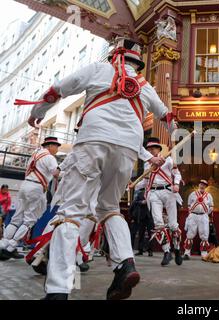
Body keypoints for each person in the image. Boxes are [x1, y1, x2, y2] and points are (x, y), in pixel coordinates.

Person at [21, 38, 177, 300]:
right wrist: (178, 131)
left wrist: (39, 109)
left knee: (71, 212)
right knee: (110, 208)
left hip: (93, 141)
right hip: (127, 149)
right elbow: (168, 118)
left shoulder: (97, 69)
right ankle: (125, 263)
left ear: (114, 56)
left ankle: (58, 290)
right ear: (137, 64)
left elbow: (58, 89)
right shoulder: (146, 86)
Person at [0, 137, 60, 260]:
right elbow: (55, 173)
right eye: (56, 146)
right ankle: (11, 246)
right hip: (36, 188)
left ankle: (3, 244)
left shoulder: (35, 154)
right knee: (29, 220)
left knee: (16, 218)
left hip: (25, 185)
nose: (57, 149)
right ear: (49, 146)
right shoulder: (49, 157)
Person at [144, 137, 183, 266]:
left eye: (153, 148)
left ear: (158, 149)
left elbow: (177, 174)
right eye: (149, 149)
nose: (151, 151)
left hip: (168, 191)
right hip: (153, 193)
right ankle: (166, 252)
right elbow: (145, 181)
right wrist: (132, 186)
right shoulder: (146, 163)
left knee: (173, 225)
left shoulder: (168, 159)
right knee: (158, 223)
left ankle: (177, 249)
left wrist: (176, 184)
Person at [183, 179, 214, 260]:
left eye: (204, 185)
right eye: (201, 184)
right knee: (190, 234)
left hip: (203, 216)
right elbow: (189, 205)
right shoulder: (193, 194)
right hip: (193, 215)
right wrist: (191, 213)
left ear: (206, 186)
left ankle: (204, 255)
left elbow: (211, 206)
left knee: (204, 235)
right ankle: (187, 253)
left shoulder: (209, 195)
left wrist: (206, 212)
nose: (202, 186)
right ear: (199, 185)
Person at [130, 188, 154, 256]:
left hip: (150, 217)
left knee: (151, 234)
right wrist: (141, 202)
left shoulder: (154, 193)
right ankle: (140, 250)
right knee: (141, 233)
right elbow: (135, 202)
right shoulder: (140, 193)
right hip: (141, 217)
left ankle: (150, 250)